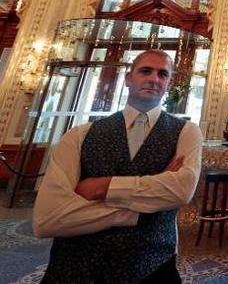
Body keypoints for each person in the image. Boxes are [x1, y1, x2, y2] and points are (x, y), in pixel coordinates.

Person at [34, 49, 203, 283]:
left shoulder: (187, 131)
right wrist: (143, 206)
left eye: (162, 74)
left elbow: (182, 190)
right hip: (76, 266)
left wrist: (102, 188)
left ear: (168, 83)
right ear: (128, 78)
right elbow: (47, 219)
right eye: (145, 71)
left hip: (152, 265)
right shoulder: (79, 135)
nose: (154, 79)